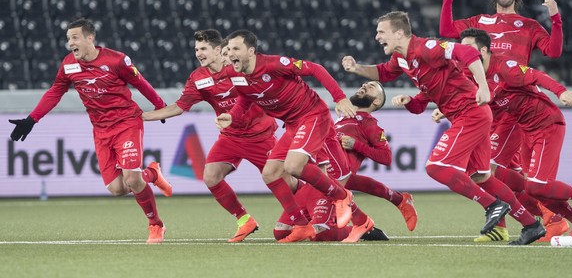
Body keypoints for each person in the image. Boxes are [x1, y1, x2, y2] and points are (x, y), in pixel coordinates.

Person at [342, 11, 521, 240]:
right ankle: (528, 223)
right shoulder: (401, 58)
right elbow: (384, 72)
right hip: (464, 115)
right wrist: (357, 68)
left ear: (398, 33)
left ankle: (494, 205)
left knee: (436, 166)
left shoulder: (426, 47)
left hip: (471, 112)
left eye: (381, 32)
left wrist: (483, 86)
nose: (377, 36)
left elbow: (467, 51)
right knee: (480, 176)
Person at [8, 18, 171, 244]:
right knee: (116, 189)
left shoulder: (117, 60)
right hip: (101, 130)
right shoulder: (69, 65)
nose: (70, 43)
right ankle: (152, 173)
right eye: (68, 39)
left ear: (90, 38)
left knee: (132, 179)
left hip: (127, 123)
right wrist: (32, 119)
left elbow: (140, 82)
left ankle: (156, 225)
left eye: (74, 38)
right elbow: (55, 92)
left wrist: (160, 105)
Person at [439, 0, 568, 240]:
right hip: (485, 105)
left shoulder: (528, 25)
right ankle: (517, 222)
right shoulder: (478, 23)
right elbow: (447, 30)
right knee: (489, 172)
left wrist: (555, 19)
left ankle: (544, 217)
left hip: (514, 104)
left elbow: (553, 51)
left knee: (489, 169)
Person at [142, 29, 286, 243]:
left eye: (203, 49)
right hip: (231, 137)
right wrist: (143, 116)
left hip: (259, 134)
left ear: (218, 50)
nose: (198, 53)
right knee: (210, 176)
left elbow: (266, 90)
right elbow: (180, 107)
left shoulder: (237, 68)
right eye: (196, 49)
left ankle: (307, 215)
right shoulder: (198, 78)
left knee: (284, 180)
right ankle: (244, 219)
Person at [215, 29, 356, 243]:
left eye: (236, 48)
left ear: (251, 51)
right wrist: (232, 117)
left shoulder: (274, 64)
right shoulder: (235, 74)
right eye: (229, 49)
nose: (230, 53)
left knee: (293, 166)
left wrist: (339, 97)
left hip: (312, 114)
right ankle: (300, 225)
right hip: (292, 124)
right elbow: (246, 96)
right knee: (270, 173)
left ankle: (341, 196)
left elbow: (315, 69)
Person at [459, 27, 572, 240]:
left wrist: (561, 92)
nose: (464, 53)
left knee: (537, 185)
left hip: (547, 124)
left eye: (468, 48)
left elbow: (538, 76)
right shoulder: (477, 77)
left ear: (485, 50)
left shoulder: (504, 67)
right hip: (526, 130)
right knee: (533, 189)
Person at [334, 81, 418, 232]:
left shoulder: (369, 123)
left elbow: (386, 157)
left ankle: (365, 223)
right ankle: (394, 204)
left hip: (338, 176)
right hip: (331, 173)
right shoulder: (341, 118)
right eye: (364, 84)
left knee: (324, 224)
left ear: (376, 101)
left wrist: (356, 145)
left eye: (371, 87)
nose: (364, 85)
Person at [273, 182, 390, 242]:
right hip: (306, 188)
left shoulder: (327, 138)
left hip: (324, 188)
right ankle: (314, 222)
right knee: (280, 233)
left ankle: (361, 230)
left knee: (319, 234)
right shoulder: (292, 137)